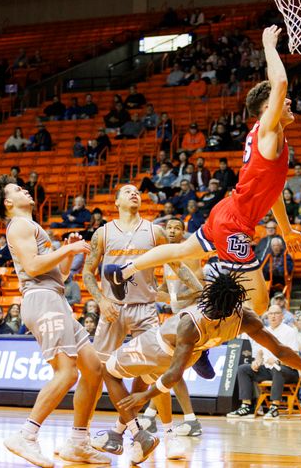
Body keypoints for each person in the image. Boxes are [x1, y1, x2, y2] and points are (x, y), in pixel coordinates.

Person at [102, 26, 301, 315]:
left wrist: (286, 231)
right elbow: (281, 82)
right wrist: (268, 46)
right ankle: (202, 329)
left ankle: (121, 271)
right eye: (281, 99)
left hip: (228, 211)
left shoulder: (272, 138)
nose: (288, 101)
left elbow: (272, 193)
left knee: (184, 251)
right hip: (234, 224)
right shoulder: (268, 131)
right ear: (267, 107)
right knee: (259, 304)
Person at [99, 270, 301, 463]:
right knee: (144, 381)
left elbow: (173, 374)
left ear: (211, 296)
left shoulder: (192, 321)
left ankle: (137, 433)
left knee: (107, 371)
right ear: (236, 303)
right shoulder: (245, 318)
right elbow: (280, 351)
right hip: (191, 354)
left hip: (159, 346)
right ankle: (117, 433)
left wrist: (145, 396)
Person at [0, 176, 108, 466]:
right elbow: (33, 266)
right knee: (67, 373)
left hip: (54, 297)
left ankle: (78, 442)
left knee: (94, 369)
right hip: (43, 301)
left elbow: (58, 276)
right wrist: (68, 250)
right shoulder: (20, 225)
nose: (24, 189)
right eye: (17, 189)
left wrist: (64, 254)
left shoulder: (31, 226)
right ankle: (26, 435)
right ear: (8, 203)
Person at [83, 184, 193, 460]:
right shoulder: (103, 233)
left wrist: (199, 290)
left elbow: (177, 263)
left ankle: (167, 438)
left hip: (145, 308)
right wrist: (101, 300)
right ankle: (81, 437)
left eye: (137, 192)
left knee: (156, 372)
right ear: (116, 200)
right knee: (96, 374)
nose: (134, 194)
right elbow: (87, 272)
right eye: (127, 191)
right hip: (113, 310)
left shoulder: (154, 231)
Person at [139, 218, 206, 436]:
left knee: (170, 368)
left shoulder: (190, 256)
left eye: (177, 228)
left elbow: (199, 290)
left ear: (183, 233)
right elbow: (167, 285)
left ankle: (190, 420)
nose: (172, 230)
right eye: (169, 227)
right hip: (179, 317)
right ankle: (150, 416)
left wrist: (171, 297)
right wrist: (154, 291)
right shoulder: (167, 258)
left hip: (193, 318)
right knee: (166, 368)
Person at [229, 304, 301, 420]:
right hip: (268, 369)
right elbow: (260, 352)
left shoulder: (290, 331)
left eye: (276, 313)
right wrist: (257, 361)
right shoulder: (264, 331)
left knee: (278, 369)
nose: (273, 316)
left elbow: (294, 356)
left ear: (282, 316)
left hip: (288, 370)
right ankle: (246, 406)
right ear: (267, 316)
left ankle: (274, 407)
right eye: (271, 314)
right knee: (243, 369)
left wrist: (278, 360)